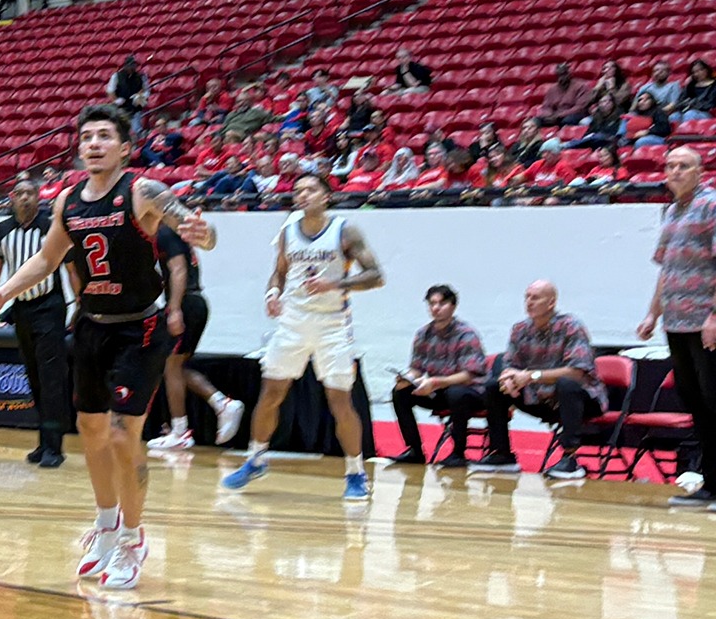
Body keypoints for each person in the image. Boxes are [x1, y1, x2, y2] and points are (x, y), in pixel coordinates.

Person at [0, 104, 217, 591]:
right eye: (87, 136)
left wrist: (206, 234)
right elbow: (48, 258)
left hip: (140, 328)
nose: (93, 143)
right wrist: (4, 291)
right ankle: (107, 524)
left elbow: (197, 232)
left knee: (121, 434)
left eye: (105, 136)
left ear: (125, 148)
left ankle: (133, 536)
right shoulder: (68, 201)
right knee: (89, 429)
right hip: (92, 324)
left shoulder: (143, 191)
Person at [222, 172, 384, 501]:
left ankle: (355, 472)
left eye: (311, 189)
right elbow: (279, 271)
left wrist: (334, 284)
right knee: (270, 393)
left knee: (340, 401)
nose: (303, 194)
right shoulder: (288, 229)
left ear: (327, 196)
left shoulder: (344, 230)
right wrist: (272, 292)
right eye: (298, 190)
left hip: (332, 324)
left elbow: (376, 276)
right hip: (293, 321)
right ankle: (255, 458)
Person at [639, 147, 716, 512]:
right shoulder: (673, 211)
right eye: (670, 166)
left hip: (710, 325)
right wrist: (652, 314)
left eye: (684, 166)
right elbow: (668, 270)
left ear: (700, 171)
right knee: (696, 403)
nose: (675, 171)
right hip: (677, 324)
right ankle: (714, 484)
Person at [471, 281, 606, 480]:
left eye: (535, 298)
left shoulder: (571, 327)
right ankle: (501, 454)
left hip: (581, 400)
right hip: (538, 398)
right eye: (527, 297)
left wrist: (532, 376)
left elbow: (577, 372)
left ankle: (570, 459)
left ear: (551, 303)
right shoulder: (520, 329)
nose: (529, 302)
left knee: (566, 385)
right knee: (493, 387)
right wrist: (508, 379)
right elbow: (508, 363)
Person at [0, 177, 70, 467]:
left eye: (30, 193)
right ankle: (43, 443)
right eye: (19, 193)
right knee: (33, 377)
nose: (25, 198)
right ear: (11, 198)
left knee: (51, 378)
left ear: (38, 196)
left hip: (50, 306)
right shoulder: (2, 230)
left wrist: (81, 302)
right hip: (21, 309)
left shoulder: (50, 226)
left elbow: (70, 268)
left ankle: (54, 448)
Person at [146, 222, 243, 453]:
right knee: (174, 366)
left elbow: (178, 269)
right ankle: (222, 404)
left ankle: (180, 432)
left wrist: (175, 308)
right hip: (192, 302)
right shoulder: (170, 232)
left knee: (171, 365)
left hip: (187, 302)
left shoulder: (166, 231)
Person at [388, 285, 486, 468]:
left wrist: (438, 382)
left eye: (441, 303)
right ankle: (415, 449)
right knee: (400, 392)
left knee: (456, 393)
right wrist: (407, 378)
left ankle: (458, 453)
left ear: (453, 306)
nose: (436, 308)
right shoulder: (423, 334)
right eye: (432, 304)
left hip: (469, 391)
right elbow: (417, 368)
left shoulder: (466, 334)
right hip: (436, 388)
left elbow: (470, 374)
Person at [108, 54, 149, 129]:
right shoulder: (117, 76)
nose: (132, 67)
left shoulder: (141, 76)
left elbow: (145, 89)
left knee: (136, 129)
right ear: (125, 66)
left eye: (133, 65)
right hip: (121, 108)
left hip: (135, 108)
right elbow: (110, 91)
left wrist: (141, 96)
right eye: (130, 65)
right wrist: (116, 100)